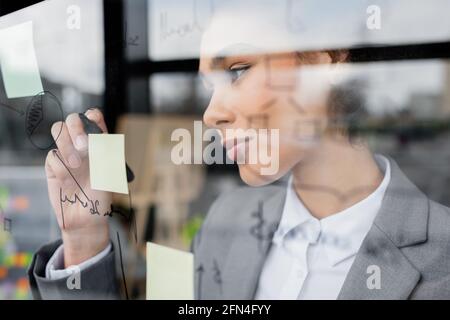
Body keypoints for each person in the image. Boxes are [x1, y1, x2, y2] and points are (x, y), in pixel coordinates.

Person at [29, 2, 450, 300]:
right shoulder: (226, 219)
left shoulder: (442, 254)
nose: (211, 113)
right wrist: (84, 240)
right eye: (210, 88)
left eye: (238, 71)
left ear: (326, 62)